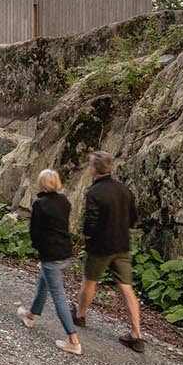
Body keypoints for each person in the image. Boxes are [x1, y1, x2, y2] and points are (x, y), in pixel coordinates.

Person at [75, 150, 145, 351]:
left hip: (100, 247)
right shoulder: (125, 190)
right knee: (126, 286)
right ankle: (136, 333)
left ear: (94, 169)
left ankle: (80, 315)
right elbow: (133, 218)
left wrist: (86, 237)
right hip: (122, 244)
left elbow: (91, 222)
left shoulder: (94, 193)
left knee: (90, 281)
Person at [16, 168, 81, 355]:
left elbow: (35, 230)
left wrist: (37, 246)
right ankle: (30, 316)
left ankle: (73, 340)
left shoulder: (40, 204)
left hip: (50, 254)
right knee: (43, 283)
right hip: (65, 252)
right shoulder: (65, 201)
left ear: (42, 183)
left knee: (58, 295)